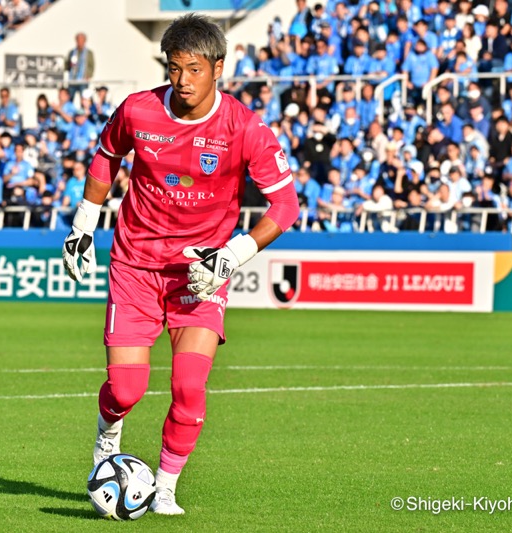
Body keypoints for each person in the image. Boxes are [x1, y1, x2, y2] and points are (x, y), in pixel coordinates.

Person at [61, 14, 299, 516]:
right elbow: (107, 156)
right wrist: (84, 223)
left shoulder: (244, 127)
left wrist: (232, 255)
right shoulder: (138, 110)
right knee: (127, 390)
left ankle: (165, 487)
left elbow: (285, 207)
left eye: (193, 69)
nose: (183, 80)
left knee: (189, 386)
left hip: (200, 273)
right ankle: (108, 435)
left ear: (218, 68)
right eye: (174, 68)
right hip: (135, 265)